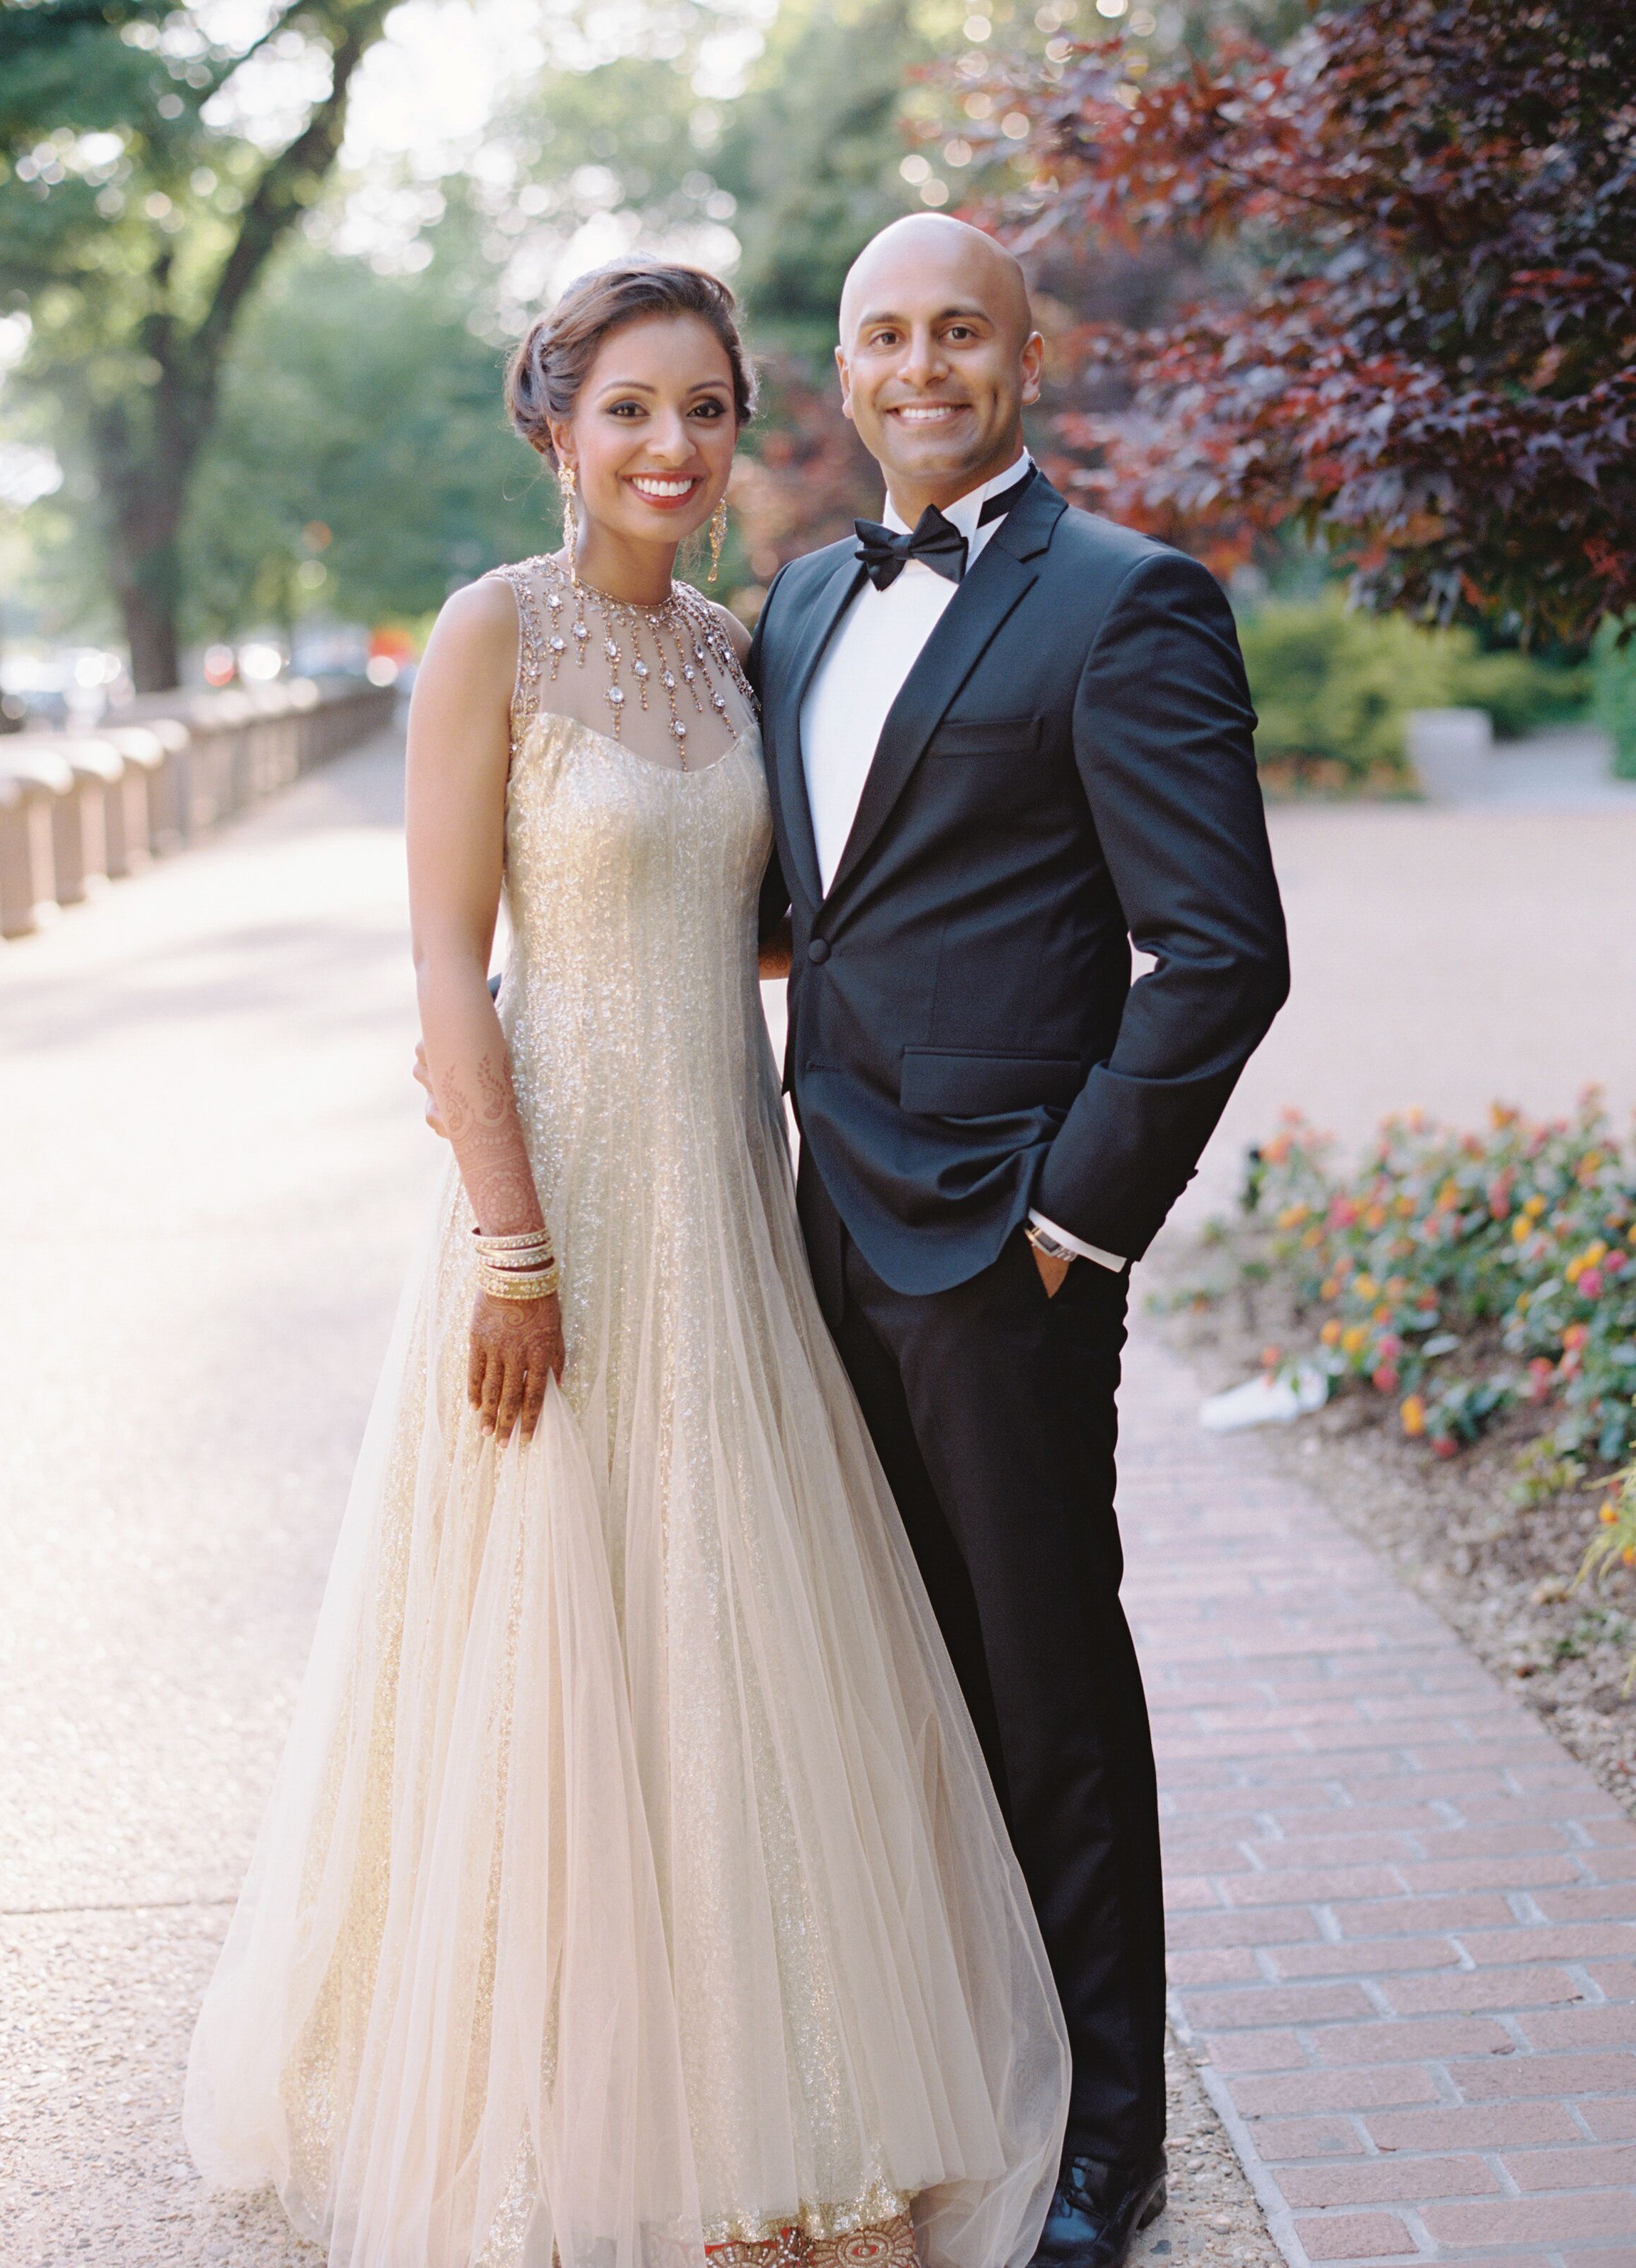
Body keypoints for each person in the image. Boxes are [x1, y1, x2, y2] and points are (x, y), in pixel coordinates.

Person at [183, 258, 1069, 2268]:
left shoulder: (744, 650)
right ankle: (581, 2111)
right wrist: (509, 1245)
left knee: (734, 1644)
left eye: (707, 410)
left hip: (727, 1200)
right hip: (560, 1204)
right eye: (631, 411)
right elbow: (445, 964)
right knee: (554, 1653)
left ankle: (789, 2112)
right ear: (553, 428)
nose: (674, 447)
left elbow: (764, 923)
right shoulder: (492, 640)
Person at [746, 216, 1289, 2268]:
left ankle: (1109, 2145)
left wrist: (1077, 1218)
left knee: (1050, 1684)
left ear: (1025, 351)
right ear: (846, 362)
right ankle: (968, 2064)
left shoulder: (1129, 604)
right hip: (816, 1228)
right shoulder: (800, 602)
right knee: (893, 1675)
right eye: (883, 332)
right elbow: (803, 904)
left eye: (957, 330)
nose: (919, 365)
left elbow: (1220, 950)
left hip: (1007, 1253)